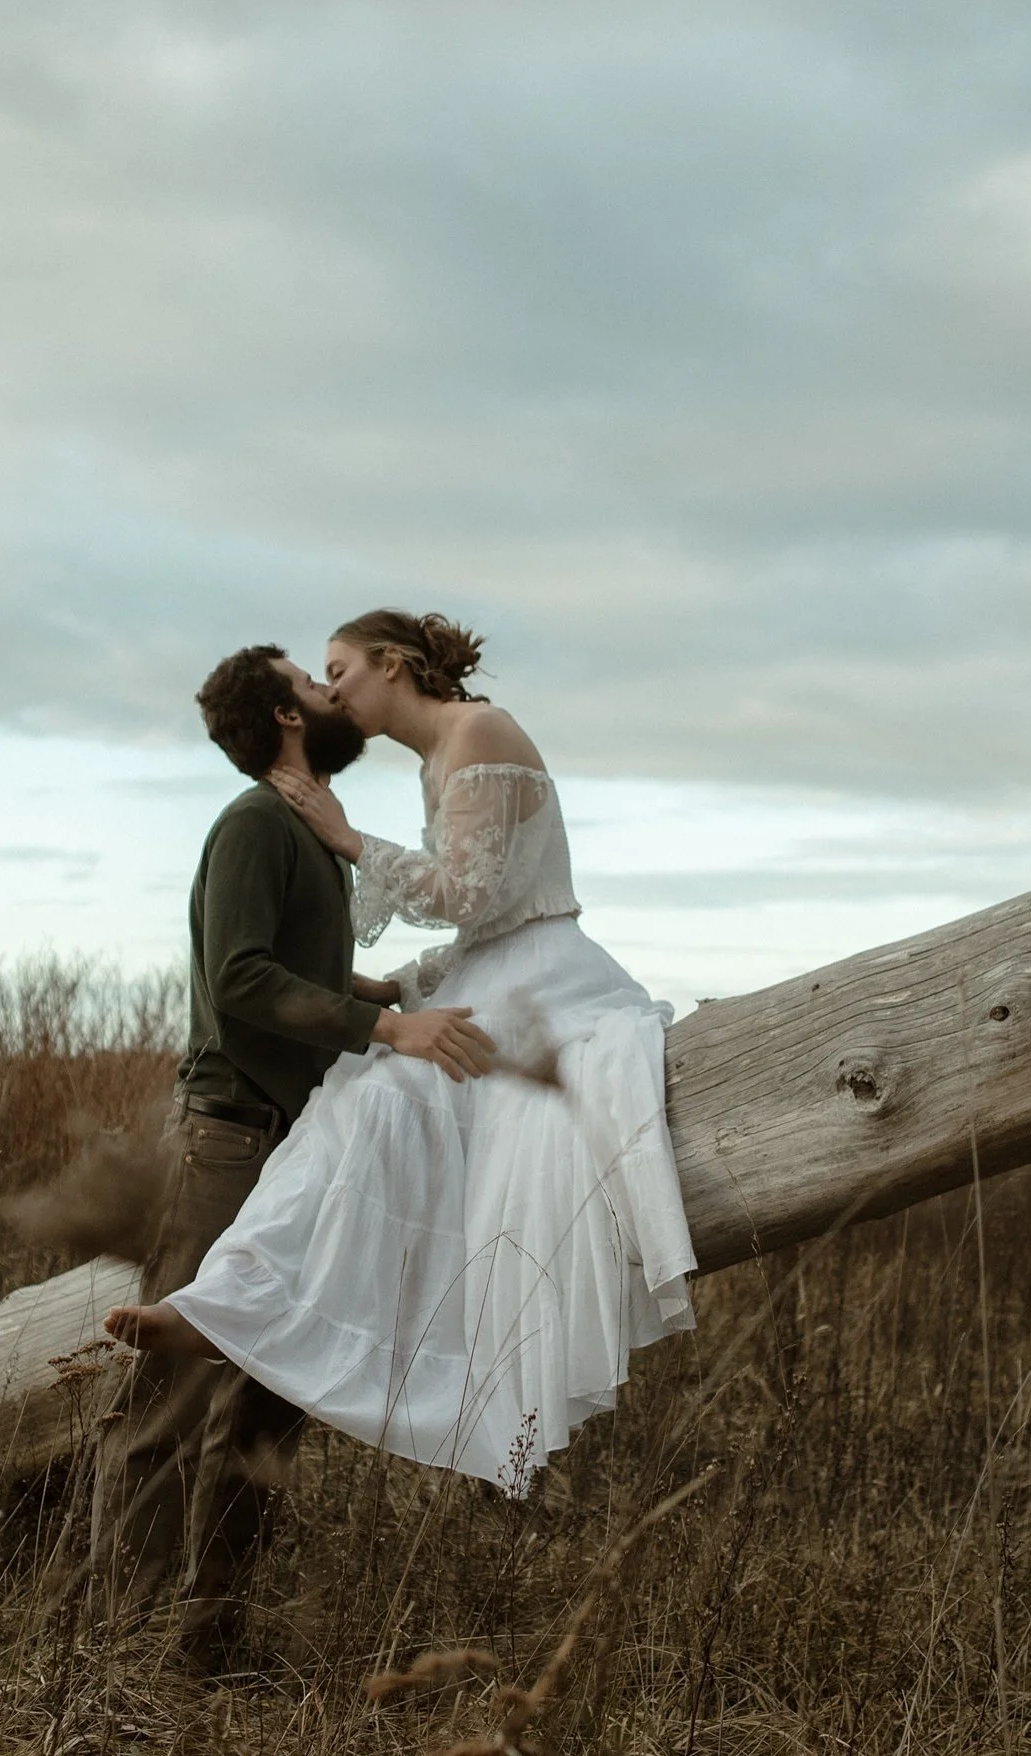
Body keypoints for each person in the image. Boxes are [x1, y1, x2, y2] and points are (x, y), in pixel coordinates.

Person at [106, 609, 697, 1493]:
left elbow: (469, 896)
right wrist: (382, 996)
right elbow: (272, 966)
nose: (332, 686)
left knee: (383, 1102)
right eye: (318, 677)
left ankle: (244, 1309)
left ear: (391, 664)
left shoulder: (477, 731)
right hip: (490, 965)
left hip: (539, 972)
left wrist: (350, 841)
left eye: (339, 668)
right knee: (368, 1103)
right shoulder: (385, 776)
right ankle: (229, 1304)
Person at [91, 641, 496, 1663]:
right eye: (313, 684)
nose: (332, 693)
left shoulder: (307, 829)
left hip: (299, 1144)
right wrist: (387, 1029)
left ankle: (206, 1640)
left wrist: (394, 991)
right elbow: (240, 977)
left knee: (270, 1391)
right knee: (172, 1399)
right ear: (283, 714)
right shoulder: (253, 824)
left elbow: (300, 968)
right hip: (230, 1136)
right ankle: (123, 1647)